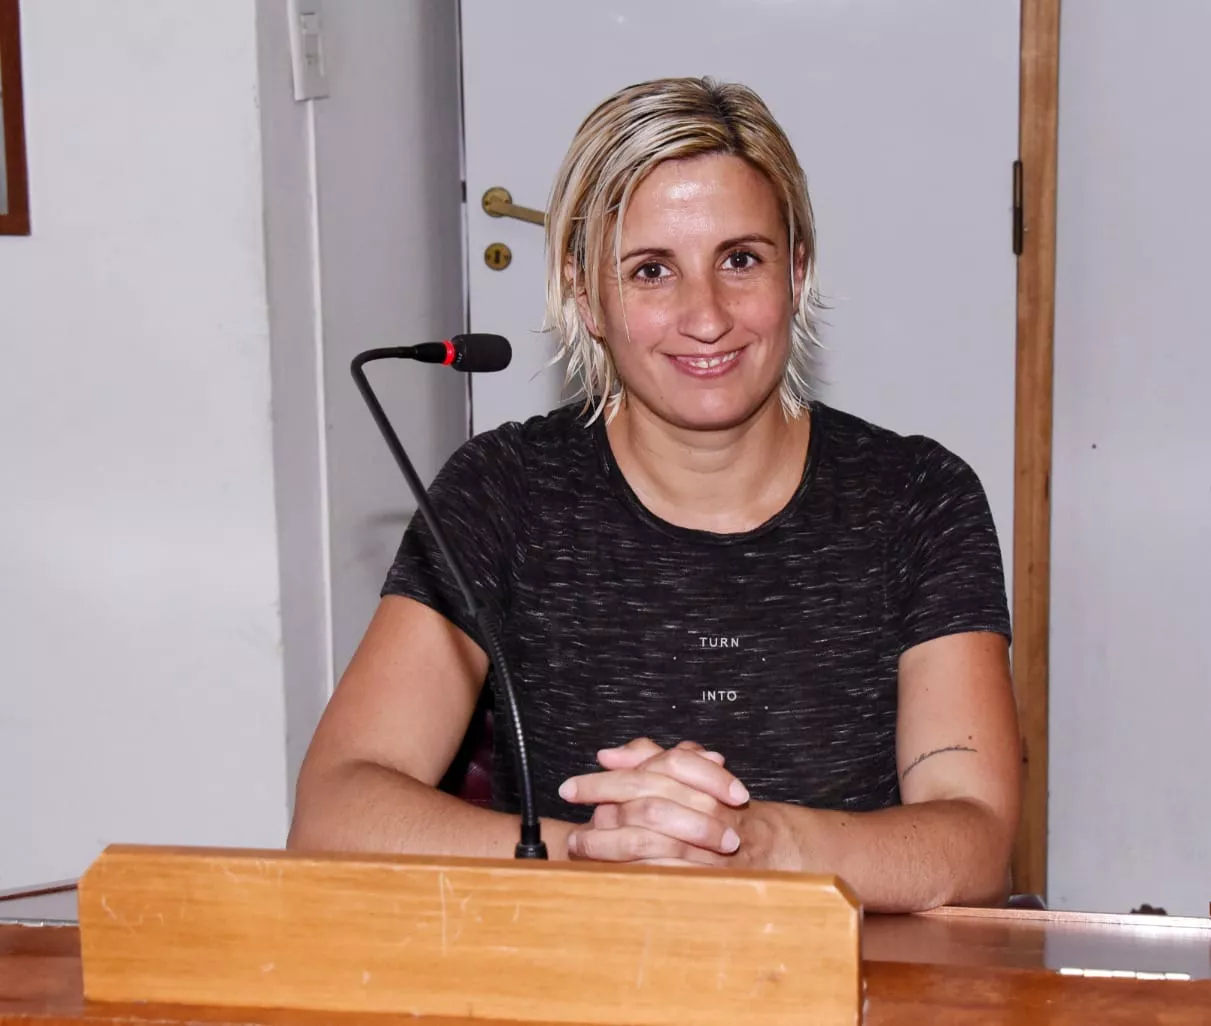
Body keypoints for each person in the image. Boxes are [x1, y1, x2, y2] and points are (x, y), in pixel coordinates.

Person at [288, 76, 1021, 914]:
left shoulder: (920, 498)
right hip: (574, 967)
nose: (705, 316)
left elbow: (975, 839)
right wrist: (596, 855)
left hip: (848, 973)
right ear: (586, 296)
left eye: (741, 260)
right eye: (651, 271)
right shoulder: (502, 493)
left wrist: (760, 847)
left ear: (798, 270)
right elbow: (333, 810)